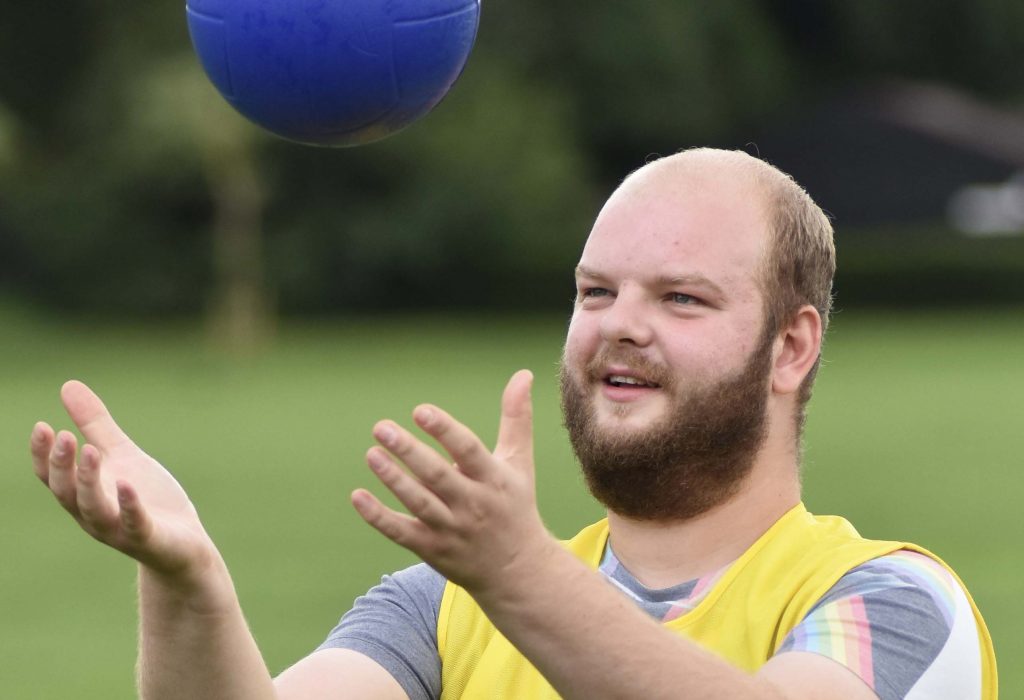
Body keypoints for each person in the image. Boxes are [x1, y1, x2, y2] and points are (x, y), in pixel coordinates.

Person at [32, 148, 996, 699]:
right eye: (596, 290)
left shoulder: (897, 608)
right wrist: (186, 583)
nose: (621, 322)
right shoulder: (440, 610)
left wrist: (516, 572)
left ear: (792, 348)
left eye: (683, 299)